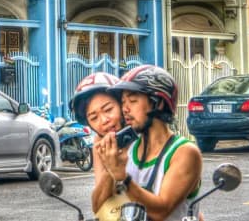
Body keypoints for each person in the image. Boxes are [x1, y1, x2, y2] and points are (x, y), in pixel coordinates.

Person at [95, 65, 203, 221]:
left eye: (132, 100)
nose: (125, 109)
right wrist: (109, 170)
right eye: (123, 102)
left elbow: (161, 210)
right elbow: (99, 209)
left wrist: (122, 177)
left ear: (158, 103)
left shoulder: (184, 152)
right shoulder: (127, 149)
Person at [69, 72, 127, 219]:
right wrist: (110, 169)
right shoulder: (100, 144)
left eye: (108, 110)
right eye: (94, 117)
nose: (103, 120)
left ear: (122, 105)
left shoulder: (143, 134)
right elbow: (98, 206)